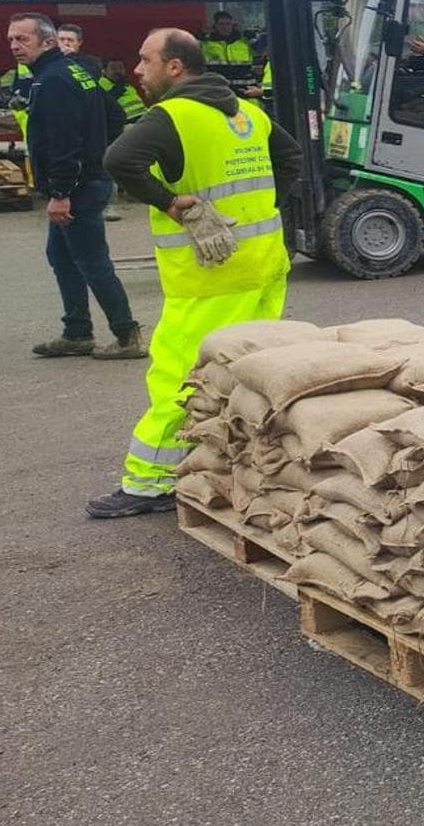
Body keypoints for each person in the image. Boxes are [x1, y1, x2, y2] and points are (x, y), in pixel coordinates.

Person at [91, 27, 300, 519]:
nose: (137, 72)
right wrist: (263, 213)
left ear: (175, 67)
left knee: (180, 377)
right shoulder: (246, 112)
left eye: (145, 61)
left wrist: (170, 203)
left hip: (209, 276)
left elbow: (118, 160)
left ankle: (148, 483)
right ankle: (238, 462)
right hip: (264, 264)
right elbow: (289, 161)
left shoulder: (173, 116)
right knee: (248, 370)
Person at [7, 12, 143, 361]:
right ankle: (77, 332)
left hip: (76, 188)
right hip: (88, 179)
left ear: (47, 41)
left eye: (22, 39)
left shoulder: (52, 80)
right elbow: (114, 116)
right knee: (62, 255)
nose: (14, 46)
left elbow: (62, 143)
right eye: (11, 39)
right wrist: (100, 152)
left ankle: (126, 335)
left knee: (91, 261)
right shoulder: (76, 73)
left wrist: (60, 194)